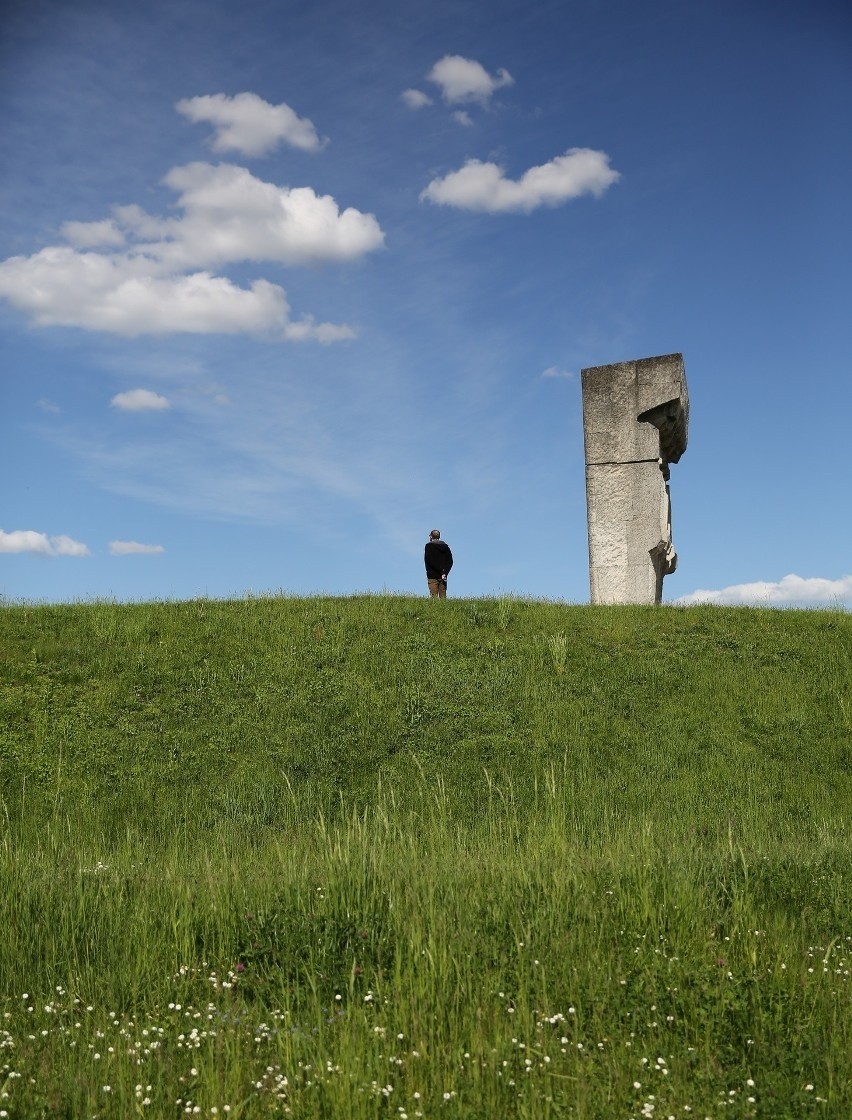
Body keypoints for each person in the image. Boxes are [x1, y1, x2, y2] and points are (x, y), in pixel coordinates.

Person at [424, 529, 453, 598]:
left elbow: (429, 560)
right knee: (443, 598)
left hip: (432, 576)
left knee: (433, 598)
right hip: (443, 576)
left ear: (431, 536)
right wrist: (444, 572)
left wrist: (440, 570)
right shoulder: (446, 547)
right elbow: (450, 561)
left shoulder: (429, 546)